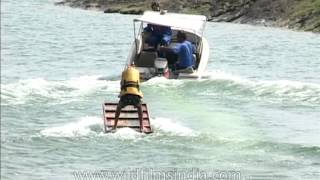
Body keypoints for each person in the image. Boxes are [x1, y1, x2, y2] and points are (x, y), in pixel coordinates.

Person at [113, 65, 144, 132]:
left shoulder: (124, 72)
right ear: (134, 67)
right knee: (139, 107)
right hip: (135, 97)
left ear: (128, 67)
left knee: (118, 108)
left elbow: (122, 85)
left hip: (126, 96)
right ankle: (141, 127)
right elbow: (138, 86)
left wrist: (121, 95)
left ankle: (115, 126)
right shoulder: (137, 72)